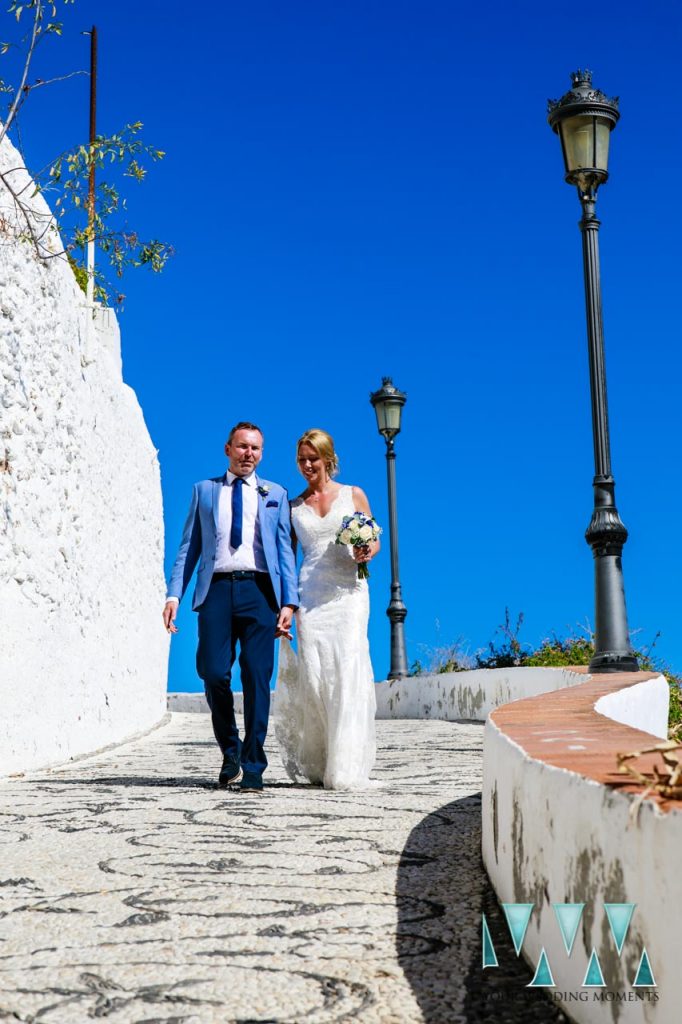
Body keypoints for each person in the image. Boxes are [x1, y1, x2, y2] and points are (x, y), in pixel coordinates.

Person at [163, 422, 299, 792]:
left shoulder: (276, 494)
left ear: (262, 453)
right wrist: (174, 594)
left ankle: (254, 764)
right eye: (242, 447)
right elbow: (188, 548)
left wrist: (289, 601)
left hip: (260, 592)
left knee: (257, 676)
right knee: (212, 671)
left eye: (255, 448)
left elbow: (285, 552)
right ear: (228, 449)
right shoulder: (204, 491)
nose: (248, 454)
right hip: (217, 590)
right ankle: (230, 749)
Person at [275, 428, 380, 790]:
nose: (307, 466)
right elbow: (287, 559)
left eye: (313, 459)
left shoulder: (353, 495)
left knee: (346, 670)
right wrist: (287, 604)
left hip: (348, 593)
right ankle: (322, 759)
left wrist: (366, 550)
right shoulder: (294, 507)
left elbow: (374, 539)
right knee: (317, 676)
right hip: (311, 597)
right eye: (302, 460)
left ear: (327, 458)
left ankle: (346, 765)